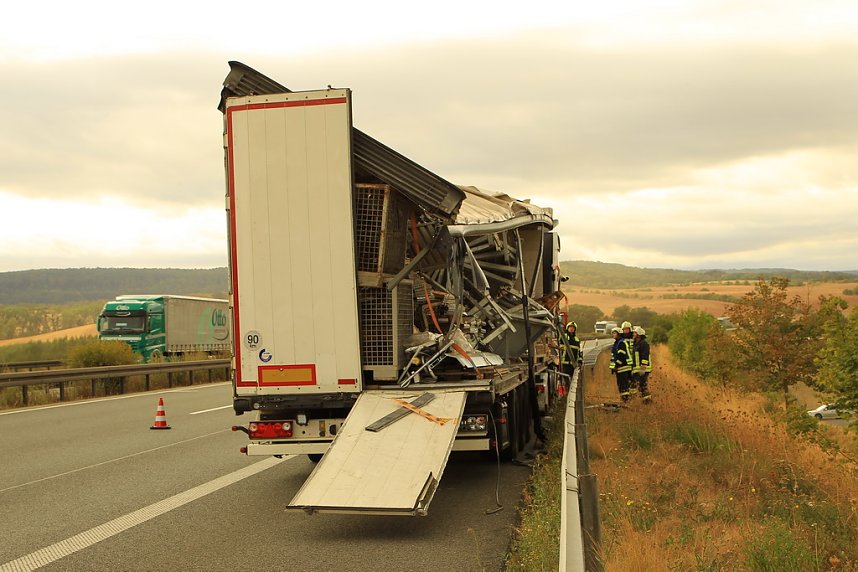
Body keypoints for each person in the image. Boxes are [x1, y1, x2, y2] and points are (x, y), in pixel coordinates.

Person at [609, 326, 633, 401]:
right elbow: (614, 357)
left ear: (619, 334)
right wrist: (613, 367)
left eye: (614, 333)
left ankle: (626, 400)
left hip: (623, 367)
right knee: (621, 385)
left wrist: (616, 365)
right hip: (620, 368)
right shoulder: (617, 343)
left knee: (624, 385)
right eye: (612, 333)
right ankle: (625, 400)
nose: (612, 334)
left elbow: (621, 356)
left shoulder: (621, 343)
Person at [632, 326, 652, 402]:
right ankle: (644, 400)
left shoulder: (644, 343)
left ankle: (647, 401)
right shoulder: (636, 343)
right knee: (639, 385)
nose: (633, 334)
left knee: (642, 385)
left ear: (639, 334)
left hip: (643, 369)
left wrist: (643, 368)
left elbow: (645, 356)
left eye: (635, 333)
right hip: (638, 369)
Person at [560, 321, 582, 386]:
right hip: (564, 363)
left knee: (573, 382)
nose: (571, 329)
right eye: (570, 327)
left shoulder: (577, 339)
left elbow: (579, 351)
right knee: (565, 381)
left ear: (575, 329)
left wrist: (580, 361)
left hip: (573, 364)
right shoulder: (564, 336)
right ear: (567, 328)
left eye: (573, 328)